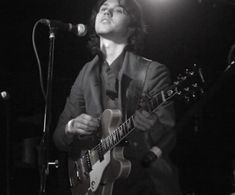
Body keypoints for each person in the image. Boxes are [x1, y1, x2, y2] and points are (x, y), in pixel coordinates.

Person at [53, 0, 182, 194]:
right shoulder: (85, 73)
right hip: (99, 185)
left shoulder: (152, 72)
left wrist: (151, 125)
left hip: (144, 184)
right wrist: (72, 127)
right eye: (103, 9)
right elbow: (58, 137)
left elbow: (168, 137)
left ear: (132, 28)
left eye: (118, 10)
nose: (107, 11)